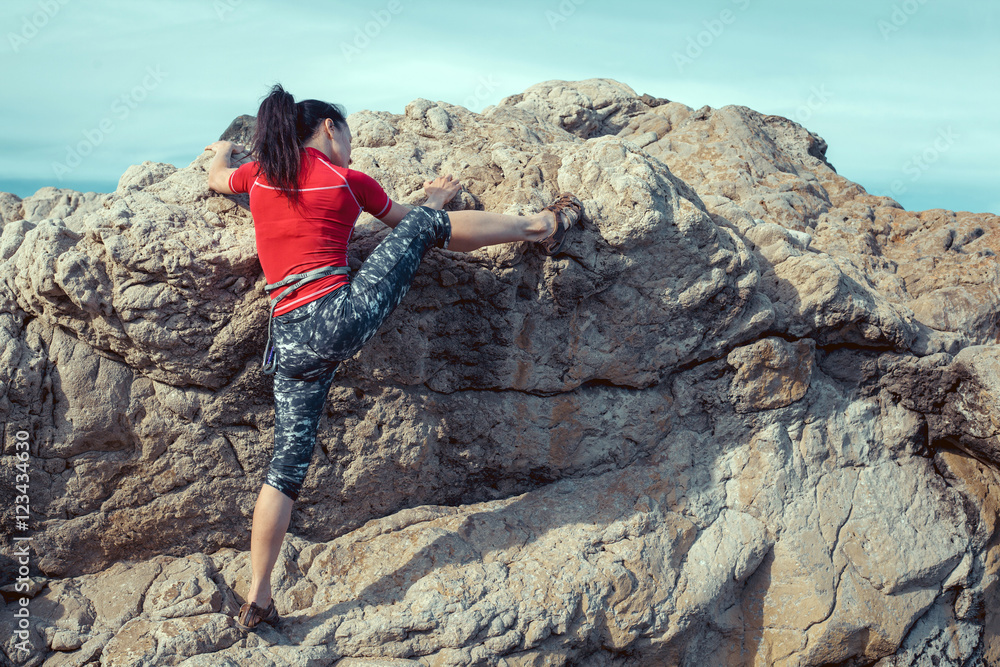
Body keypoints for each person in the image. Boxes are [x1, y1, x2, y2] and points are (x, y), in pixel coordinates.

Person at [204, 83, 582, 632]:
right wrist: (433, 200)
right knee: (428, 226)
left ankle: (257, 597)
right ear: (330, 129)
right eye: (347, 131)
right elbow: (407, 224)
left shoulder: (258, 174)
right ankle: (543, 226)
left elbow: (218, 177)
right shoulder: (345, 178)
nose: (351, 144)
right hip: (338, 321)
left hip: (285, 341)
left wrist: (221, 151)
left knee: (284, 470)